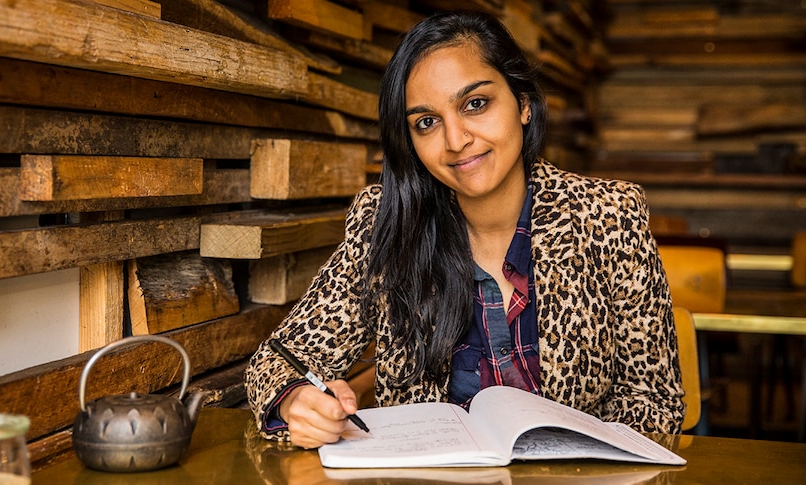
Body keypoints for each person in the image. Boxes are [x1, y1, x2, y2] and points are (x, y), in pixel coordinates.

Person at [246, 10, 684, 448]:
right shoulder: (386, 224)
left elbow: (656, 402)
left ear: (524, 103)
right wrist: (296, 402)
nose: (455, 140)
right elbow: (276, 363)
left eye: (475, 104)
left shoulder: (608, 216)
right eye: (427, 122)